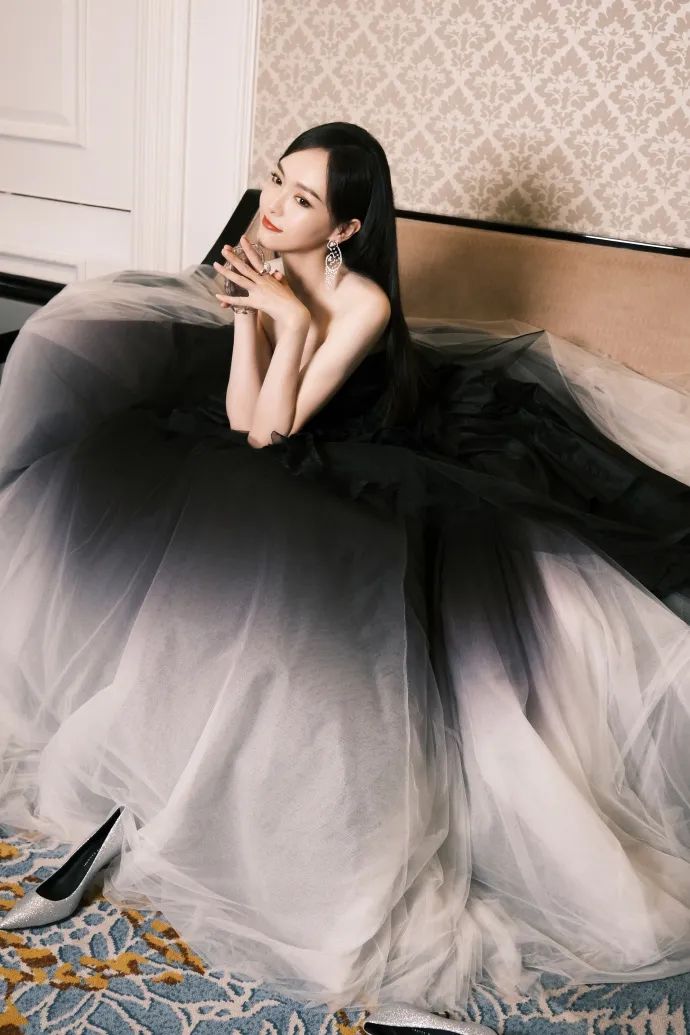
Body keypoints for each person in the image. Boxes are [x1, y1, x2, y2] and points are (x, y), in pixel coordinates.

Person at [0, 121, 689, 1020]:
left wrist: (290, 320)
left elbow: (281, 431)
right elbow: (243, 422)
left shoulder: (360, 300)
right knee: (183, 501)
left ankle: (276, 818)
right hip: (272, 439)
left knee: (298, 560)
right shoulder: (261, 260)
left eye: (303, 200)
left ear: (345, 229)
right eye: (276, 182)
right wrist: (251, 317)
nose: (275, 207)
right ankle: (148, 781)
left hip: (367, 449)